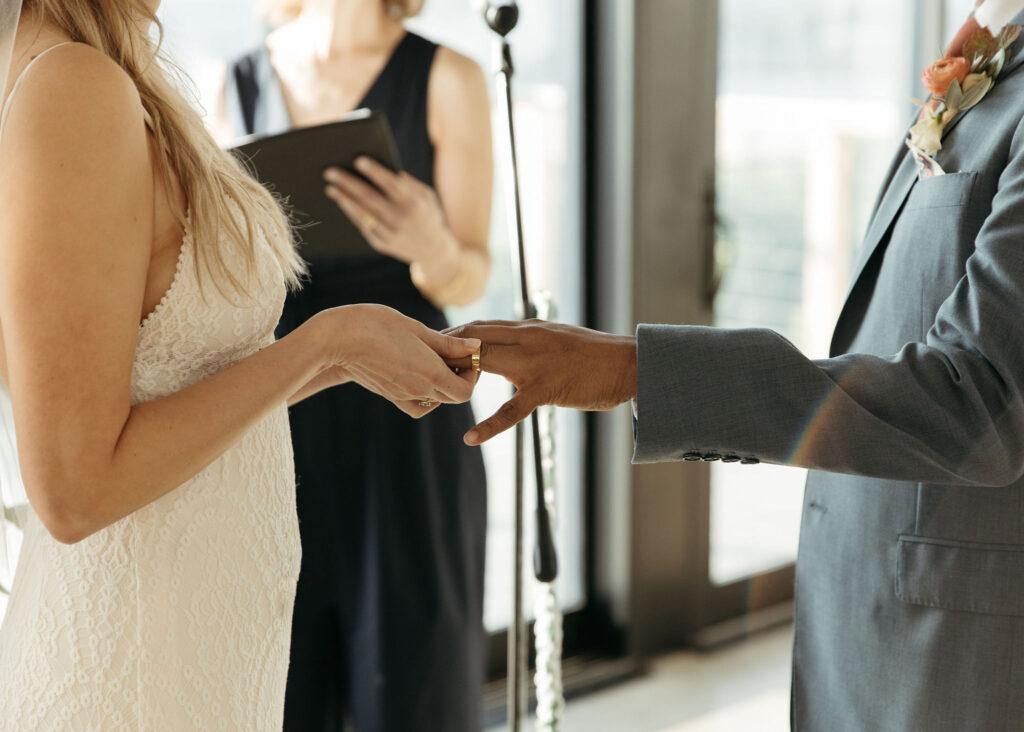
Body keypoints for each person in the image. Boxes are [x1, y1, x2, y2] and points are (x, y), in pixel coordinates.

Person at [449, 3, 1024, 730]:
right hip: (870, 616)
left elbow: (977, 400)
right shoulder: (989, 42)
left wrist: (638, 370)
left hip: (961, 651)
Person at [0, 1, 480, 729]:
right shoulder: (75, 84)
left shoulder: (103, 70)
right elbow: (73, 486)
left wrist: (343, 357)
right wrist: (321, 344)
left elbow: (172, 371)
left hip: (195, 636)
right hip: (142, 656)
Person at [215, 1, 493, 730]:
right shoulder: (238, 80)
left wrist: (430, 244)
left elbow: (468, 277)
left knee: (413, 682)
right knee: (278, 681)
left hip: (405, 420)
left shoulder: (448, 77)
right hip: (276, 413)